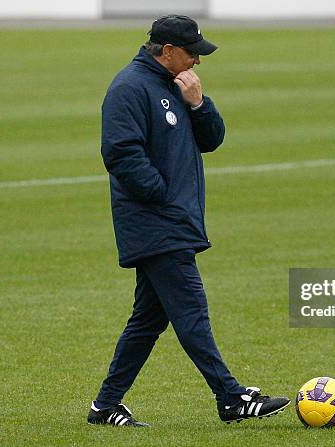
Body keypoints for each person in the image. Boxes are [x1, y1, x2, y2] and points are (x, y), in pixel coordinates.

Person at [87, 15, 290, 427]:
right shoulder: (129, 88)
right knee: (191, 311)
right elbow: (120, 153)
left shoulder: (177, 86)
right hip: (156, 223)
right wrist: (162, 198)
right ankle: (231, 397)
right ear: (167, 51)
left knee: (148, 320)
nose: (197, 60)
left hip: (174, 221)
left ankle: (104, 406)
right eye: (192, 53)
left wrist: (199, 103)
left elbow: (213, 139)